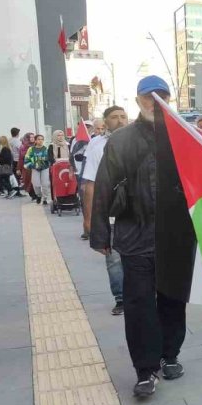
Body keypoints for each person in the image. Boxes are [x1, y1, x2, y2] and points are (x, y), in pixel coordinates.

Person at [91, 76, 196, 398]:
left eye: (162, 96)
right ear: (138, 101)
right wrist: (100, 233)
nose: (156, 101)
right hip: (134, 237)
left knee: (173, 300)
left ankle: (170, 355)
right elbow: (104, 186)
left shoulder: (184, 139)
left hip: (174, 238)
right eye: (150, 97)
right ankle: (145, 369)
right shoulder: (121, 140)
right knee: (138, 306)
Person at [82, 105, 128, 315]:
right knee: (114, 256)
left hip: (140, 212)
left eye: (123, 116)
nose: (119, 120)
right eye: (114, 117)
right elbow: (90, 184)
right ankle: (121, 298)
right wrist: (89, 219)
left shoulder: (140, 141)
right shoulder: (97, 146)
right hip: (111, 211)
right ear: (105, 122)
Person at [23, 134, 52, 204]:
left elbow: (50, 159)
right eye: (39, 139)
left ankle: (45, 198)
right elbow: (27, 159)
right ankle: (38, 195)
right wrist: (32, 165)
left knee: (45, 184)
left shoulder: (46, 149)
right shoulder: (31, 149)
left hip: (45, 168)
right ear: (35, 140)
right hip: (35, 168)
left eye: (42, 139)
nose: (40, 141)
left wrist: (48, 163)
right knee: (36, 184)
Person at [18, 133, 37, 201]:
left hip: (36, 166)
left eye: (33, 137)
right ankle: (32, 195)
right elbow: (20, 158)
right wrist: (18, 169)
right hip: (26, 167)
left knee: (35, 181)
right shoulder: (22, 147)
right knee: (28, 181)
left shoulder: (37, 145)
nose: (32, 138)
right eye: (30, 137)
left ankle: (36, 194)